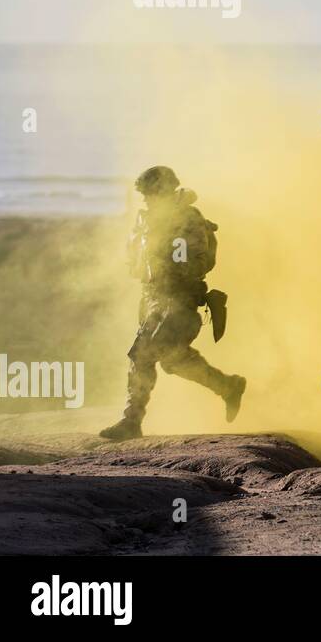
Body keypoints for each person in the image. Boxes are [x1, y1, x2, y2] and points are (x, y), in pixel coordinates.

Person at [99, 166, 244, 441]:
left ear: (165, 192)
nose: (146, 201)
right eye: (144, 196)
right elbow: (135, 259)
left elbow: (199, 262)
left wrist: (171, 269)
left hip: (180, 300)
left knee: (144, 354)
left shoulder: (187, 220)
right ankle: (228, 386)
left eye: (150, 195)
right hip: (154, 298)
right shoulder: (147, 221)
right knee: (170, 360)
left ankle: (132, 421)